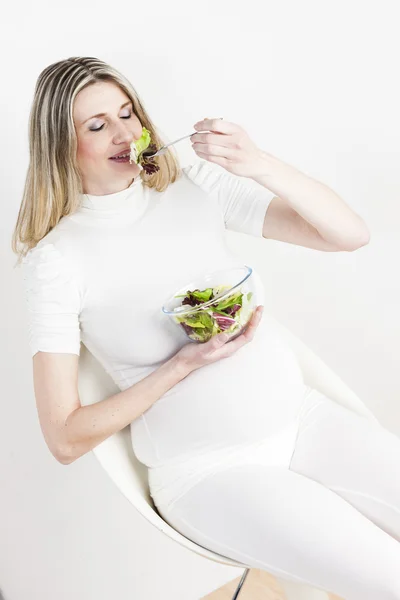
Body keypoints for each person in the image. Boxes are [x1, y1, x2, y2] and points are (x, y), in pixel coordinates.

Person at [12, 56, 400, 599]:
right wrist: (181, 365)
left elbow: (347, 235)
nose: (125, 132)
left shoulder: (190, 186)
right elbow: (65, 437)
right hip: (212, 473)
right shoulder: (56, 261)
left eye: (128, 113)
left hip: (301, 421)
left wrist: (258, 162)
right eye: (97, 125)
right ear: (60, 145)